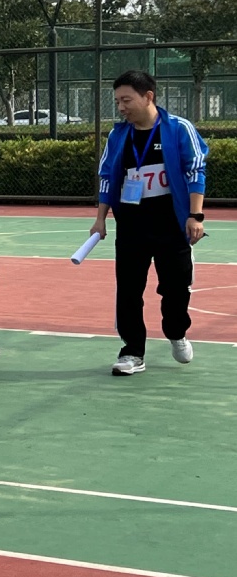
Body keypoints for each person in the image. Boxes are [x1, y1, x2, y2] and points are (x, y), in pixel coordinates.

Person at [91, 70, 208, 376]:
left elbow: (195, 171)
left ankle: (176, 331)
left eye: (126, 100)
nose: (121, 107)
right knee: (129, 290)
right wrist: (100, 219)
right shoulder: (118, 136)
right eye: (117, 101)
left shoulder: (178, 129)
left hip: (172, 226)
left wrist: (195, 216)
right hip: (132, 226)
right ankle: (132, 351)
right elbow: (107, 177)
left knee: (175, 289)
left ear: (148, 97)